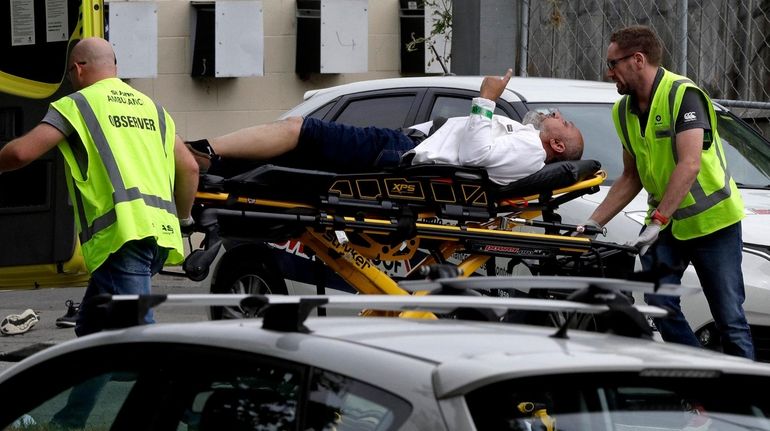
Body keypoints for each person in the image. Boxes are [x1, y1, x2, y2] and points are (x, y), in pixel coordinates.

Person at [0, 37, 199, 336]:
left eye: (69, 73)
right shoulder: (153, 108)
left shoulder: (78, 104)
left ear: (78, 69)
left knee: (138, 340)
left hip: (122, 240)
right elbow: (190, 167)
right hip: (159, 238)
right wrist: (183, 220)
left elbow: (20, 153)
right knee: (91, 334)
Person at [581, 25, 754, 359]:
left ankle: (749, 404)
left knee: (729, 318)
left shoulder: (682, 95)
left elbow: (689, 165)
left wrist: (657, 221)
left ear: (637, 60)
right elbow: (631, 177)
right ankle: (702, 380)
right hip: (667, 225)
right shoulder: (623, 110)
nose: (609, 72)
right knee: (659, 304)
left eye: (613, 63)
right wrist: (592, 222)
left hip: (712, 223)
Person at [186, 69, 584, 185]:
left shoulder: (531, 148)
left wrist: (485, 98)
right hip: (404, 145)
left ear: (558, 146)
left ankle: (200, 151)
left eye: (561, 122)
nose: (554, 115)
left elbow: (476, 155)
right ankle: (208, 166)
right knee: (293, 155)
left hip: (403, 152)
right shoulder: (525, 138)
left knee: (297, 129)